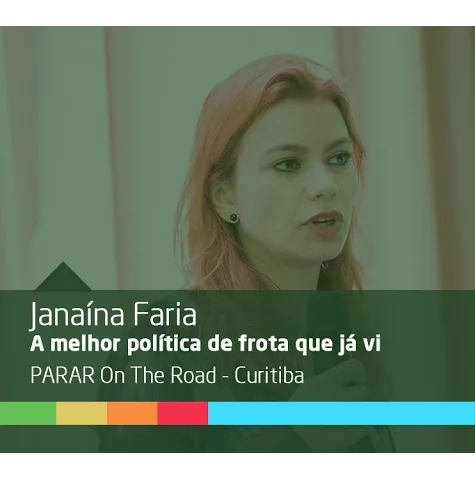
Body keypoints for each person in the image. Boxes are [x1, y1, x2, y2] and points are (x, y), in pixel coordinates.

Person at [96, 54, 395, 453]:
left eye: (339, 158)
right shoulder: (163, 345)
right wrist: (293, 440)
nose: (326, 184)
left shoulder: (341, 330)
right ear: (224, 196)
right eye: (288, 164)